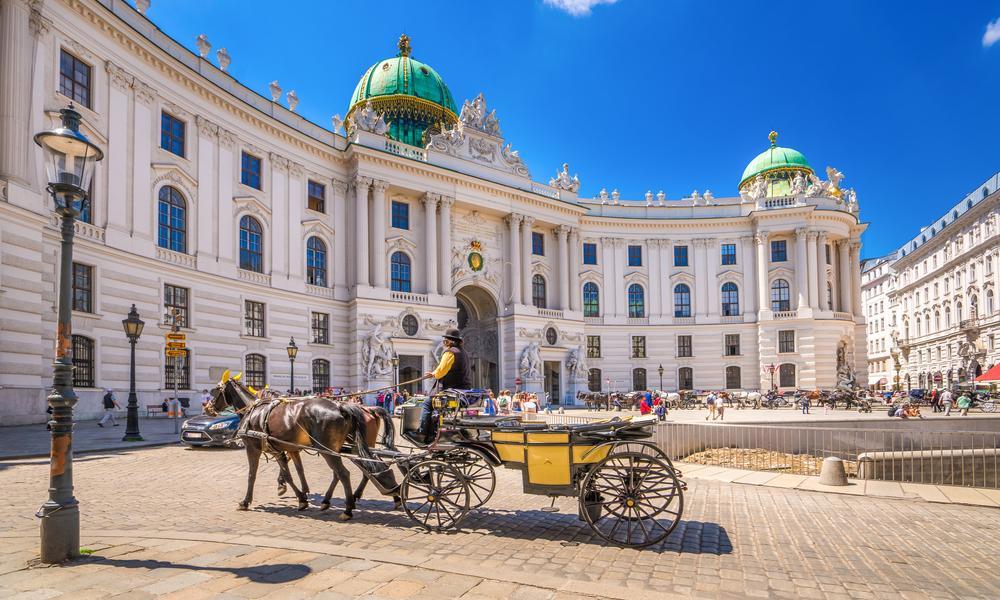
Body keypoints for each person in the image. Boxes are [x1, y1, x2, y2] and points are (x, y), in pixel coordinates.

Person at [419, 328, 472, 439]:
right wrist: (435, 373)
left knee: (427, 404)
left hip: (452, 391)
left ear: (450, 341)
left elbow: (440, 372)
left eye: (445, 340)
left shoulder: (450, 352)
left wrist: (433, 374)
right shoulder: (464, 353)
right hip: (463, 390)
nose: (445, 343)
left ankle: (423, 433)